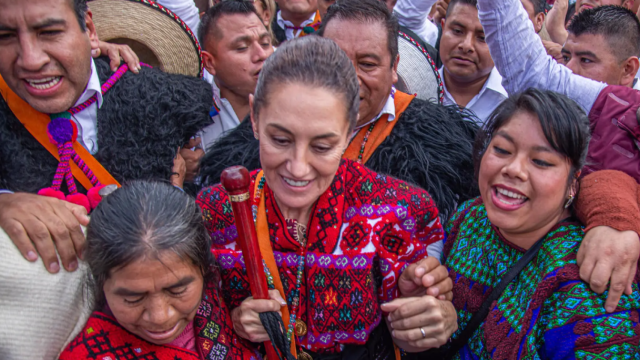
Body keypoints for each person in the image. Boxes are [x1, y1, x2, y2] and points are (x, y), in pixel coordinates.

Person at [197, 36, 457, 359]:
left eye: (322, 146)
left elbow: (413, 329)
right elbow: (188, 323)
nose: (298, 167)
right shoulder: (215, 212)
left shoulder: (395, 209)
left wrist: (427, 321)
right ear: (253, 118)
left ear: (349, 130)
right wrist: (233, 323)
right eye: (280, 139)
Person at [392, 89, 639, 357]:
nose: (513, 169)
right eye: (502, 149)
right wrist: (419, 321)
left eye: (541, 162)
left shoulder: (589, 284)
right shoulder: (470, 217)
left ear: (573, 183)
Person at [199, 0, 479, 222]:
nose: (349, 78)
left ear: (394, 67)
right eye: (336, 59)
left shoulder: (439, 145)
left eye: (367, 64)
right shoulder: (267, 129)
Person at [0, 0, 213, 273]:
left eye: (49, 32)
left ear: (89, 29)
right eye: (5, 36)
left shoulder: (164, 97)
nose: (31, 59)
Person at [477, 0, 640, 315]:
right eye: (566, 57)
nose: (570, 71)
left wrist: (615, 214)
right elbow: (532, 72)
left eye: (586, 60)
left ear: (629, 69)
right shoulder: (616, 109)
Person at [58, 181, 259, 359]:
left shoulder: (221, 296)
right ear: (101, 283)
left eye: (178, 291)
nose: (160, 316)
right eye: (133, 299)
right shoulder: (88, 354)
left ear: (205, 270)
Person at [197, 1, 274, 149]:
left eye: (265, 43)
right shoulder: (193, 127)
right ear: (209, 63)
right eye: (242, 47)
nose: (261, 55)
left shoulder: (294, 107)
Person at [438, 0, 507, 124]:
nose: (466, 46)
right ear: (443, 27)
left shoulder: (511, 102)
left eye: (482, 38)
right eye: (457, 31)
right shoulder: (412, 89)